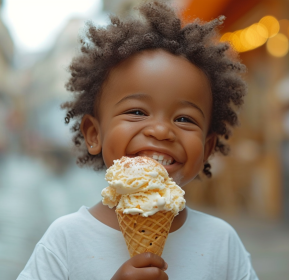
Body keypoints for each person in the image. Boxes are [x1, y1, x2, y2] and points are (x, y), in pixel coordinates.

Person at [18, 2, 257, 279]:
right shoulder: (66, 240)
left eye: (184, 119)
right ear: (94, 134)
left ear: (206, 149)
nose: (160, 130)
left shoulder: (222, 243)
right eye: (136, 112)